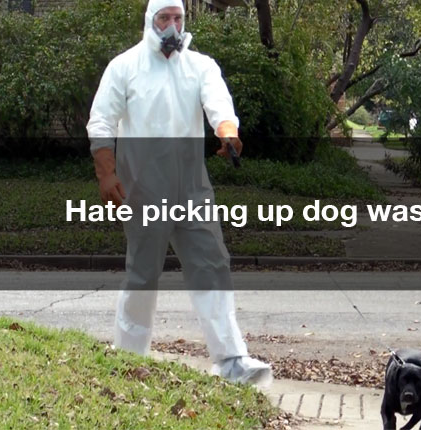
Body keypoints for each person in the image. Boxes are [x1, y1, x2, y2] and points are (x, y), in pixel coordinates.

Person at [86, 0, 272, 386]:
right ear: (149, 21)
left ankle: (232, 360)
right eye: (164, 18)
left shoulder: (199, 65)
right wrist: (107, 173)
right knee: (143, 274)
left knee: (212, 265)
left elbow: (217, 100)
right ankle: (128, 360)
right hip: (142, 191)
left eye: (178, 18)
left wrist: (226, 130)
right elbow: (101, 119)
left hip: (192, 188)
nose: (172, 26)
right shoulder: (125, 67)